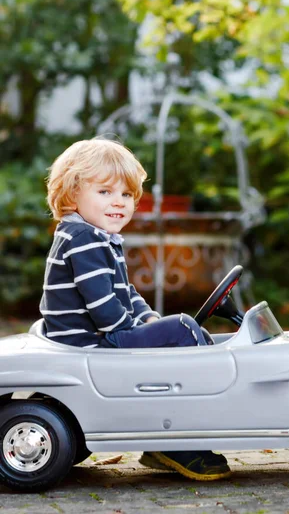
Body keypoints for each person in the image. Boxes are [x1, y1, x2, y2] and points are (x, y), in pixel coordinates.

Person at [40, 137, 230, 481]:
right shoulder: (84, 240)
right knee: (184, 329)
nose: (119, 203)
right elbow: (105, 311)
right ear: (72, 193)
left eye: (126, 195)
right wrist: (139, 331)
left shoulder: (93, 235)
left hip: (96, 336)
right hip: (92, 344)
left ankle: (175, 425)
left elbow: (124, 291)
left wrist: (148, 320)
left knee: (188, 331)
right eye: (105, 192)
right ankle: (184, 433)